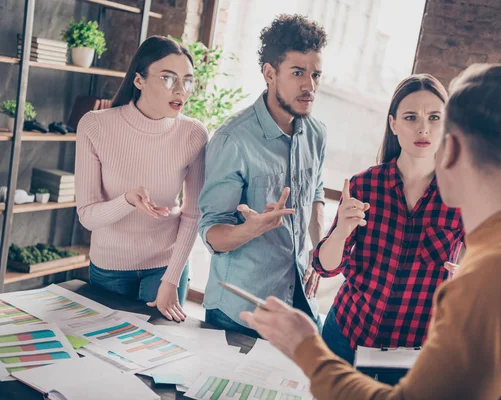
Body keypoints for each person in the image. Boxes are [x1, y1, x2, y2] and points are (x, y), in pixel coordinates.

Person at [240, 63, 501, 399]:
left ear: (451, 148)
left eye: (437, 123)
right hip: (350, 336)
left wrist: (305, 345)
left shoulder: (498, 271)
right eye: (412, 118)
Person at [313, 74, 464, 365]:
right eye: (411, 117)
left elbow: (482, 268)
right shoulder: (364, 185)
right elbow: (325, 267)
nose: (423, 127)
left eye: (434, 117)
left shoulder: (462, 195)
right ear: (394, 124)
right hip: (346, 337)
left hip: (413, 355)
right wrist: (341, 231)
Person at [198, 14, 328, 337]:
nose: (309, 86)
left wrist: (319, 249)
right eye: (298, 73)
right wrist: (251, 230)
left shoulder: (316, 133)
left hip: (294, 301)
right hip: (239, 310)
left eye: (315, 74)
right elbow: (211, 232)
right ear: (270, 73)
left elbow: (315, 194)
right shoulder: (233, 140)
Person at [75, 36, 208, 322]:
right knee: (102, 355)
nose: (180, 90)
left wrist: (171, 280)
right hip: (109, 267)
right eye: (168, 78)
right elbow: (87, 216)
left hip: (165, 267)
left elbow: (193, 213)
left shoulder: (194, 134)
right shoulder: (95, 125)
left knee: (156, 358)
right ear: (139, 80)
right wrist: (126, 200)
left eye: (187, 80)